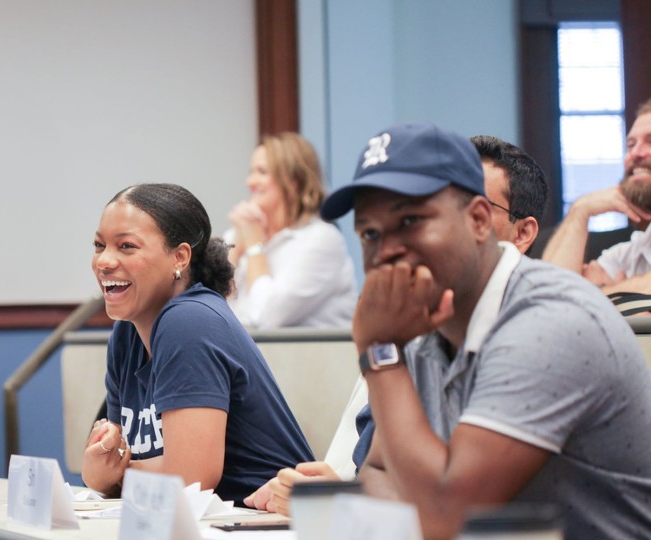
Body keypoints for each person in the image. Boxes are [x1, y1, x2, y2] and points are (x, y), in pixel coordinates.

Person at [245, 134, 552, 509]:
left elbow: (454, 515)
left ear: (478, 219)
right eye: (370, 233)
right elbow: (375, 474)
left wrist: (378, 352)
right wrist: (336, 496)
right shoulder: (425, 327)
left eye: (410, 221)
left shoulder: (544, 323)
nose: (387, 251)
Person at [81, 183, 314, 503]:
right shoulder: (127, 334)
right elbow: (116, 456)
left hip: (265, 521)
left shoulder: (189, 321)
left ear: (179, 257)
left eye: (126, 246)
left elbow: (190, 479)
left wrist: (111, 476)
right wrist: (107, 467)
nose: (104, 261)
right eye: (99, 245)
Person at [226, 132, 357, 329]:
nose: (250, 182)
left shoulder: (322, 239)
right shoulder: (240, 233)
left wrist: (255, 249)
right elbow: (207, 312)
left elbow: (265, 318)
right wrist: (234, 252)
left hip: (313, 358)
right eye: (251, 172)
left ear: (293, 181)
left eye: (262, 172)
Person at [542, 97, 651, 293]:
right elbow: (550, 298)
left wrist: (603, 293)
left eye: (650, 142)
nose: (636, 153)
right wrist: (581, 210)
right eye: (631, 145)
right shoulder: (632, 254)